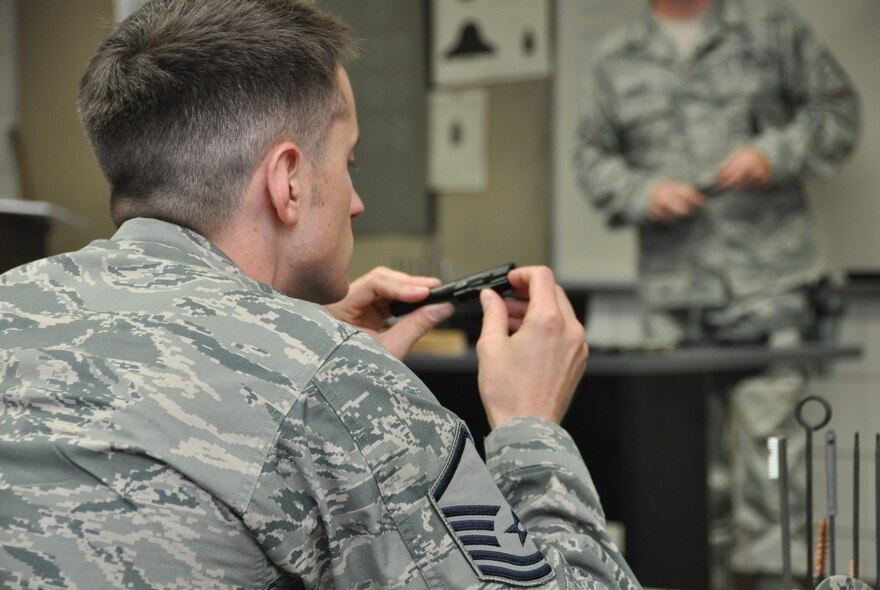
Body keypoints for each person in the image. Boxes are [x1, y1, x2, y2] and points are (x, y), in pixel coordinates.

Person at [0, 1, 639, 588]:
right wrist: (531, 425)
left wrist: (314, 361)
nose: (357, 203)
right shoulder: (337, 384)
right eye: (348, 162)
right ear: (289, 182)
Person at [574, 0, 859, 588]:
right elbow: (591, 157)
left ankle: (778, 579)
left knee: (775, 460)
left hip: (771, 290)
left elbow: (838, 112)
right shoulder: (614, 58)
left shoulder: (772, 29)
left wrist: (772, 154)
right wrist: (641, 192)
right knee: (681, 468)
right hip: (674, 300)